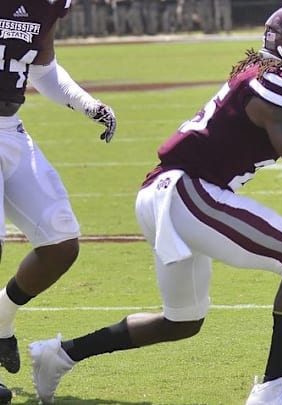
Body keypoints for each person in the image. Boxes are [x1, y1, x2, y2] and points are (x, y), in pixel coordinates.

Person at [27, 3, 282, 405]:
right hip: (190, 193)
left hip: (165, 194)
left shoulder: (266, 77)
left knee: (182, 321)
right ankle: (273, 390)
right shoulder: (280, 83)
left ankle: (59, 355)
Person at [0, 1, 116, 404]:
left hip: (9, 130)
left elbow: (44, 70)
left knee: (60, 241)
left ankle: (0, 321)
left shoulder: (47, 5)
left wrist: (87, 104)